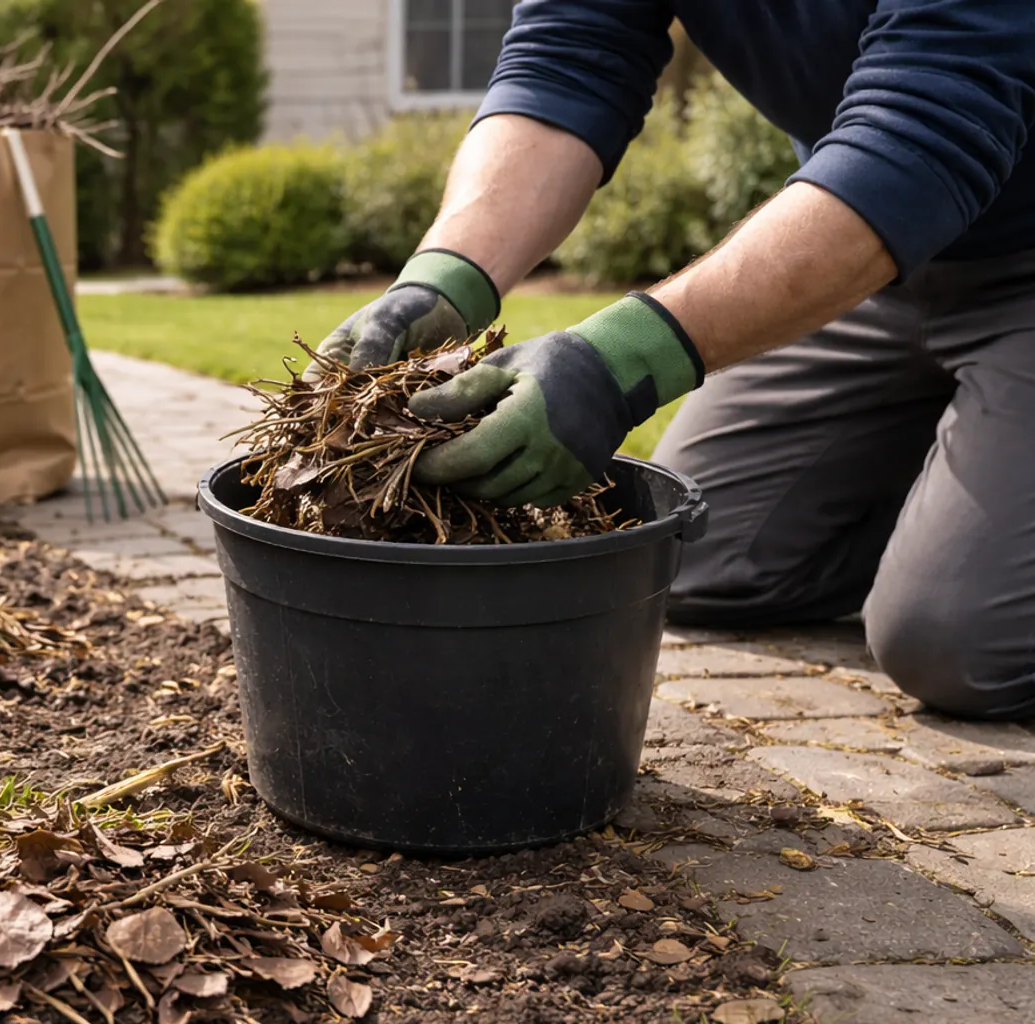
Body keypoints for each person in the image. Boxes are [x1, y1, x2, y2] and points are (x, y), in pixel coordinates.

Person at [319, 1, 1035, 720]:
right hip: (880, 271)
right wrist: (444, 278)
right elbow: (569, 54)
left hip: (948, 229)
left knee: (954, 641)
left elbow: (925, 129)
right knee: (688, 553)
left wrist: (620, 361)